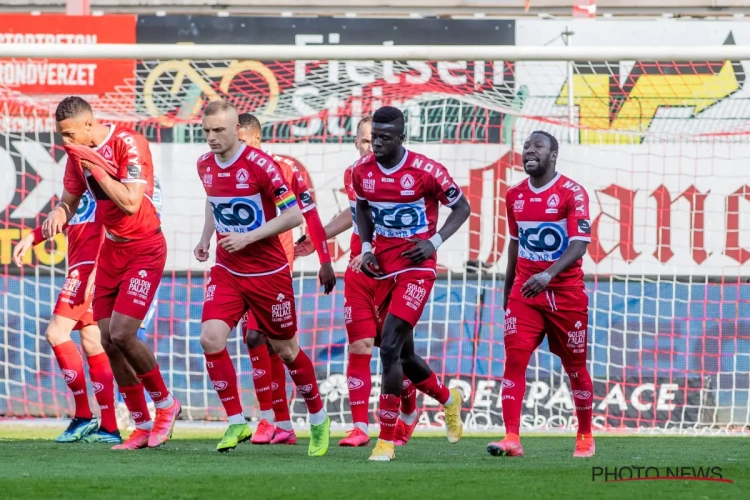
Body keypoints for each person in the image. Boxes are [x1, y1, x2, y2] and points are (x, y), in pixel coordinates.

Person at [194, 101, 330, 456]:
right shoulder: (204, 164)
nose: (211, 138)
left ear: (236, 129)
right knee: (210, 338)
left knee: (286, 350)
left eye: (219, 130)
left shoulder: (261, 165)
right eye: (206, 131)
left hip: (268, 272)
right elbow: (213, 200)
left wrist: (249, 237)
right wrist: (206, 236)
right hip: (227, 268)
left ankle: (318, 418)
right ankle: (237, 420)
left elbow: (294, 216)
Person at [44, 96, 180, 451]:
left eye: (70, 134)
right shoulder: (77, 154)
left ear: (89, 125)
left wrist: (96, 164)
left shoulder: (128, 143)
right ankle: (141, 424)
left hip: (145, 249)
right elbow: (71, 197)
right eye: (61, 135)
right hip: (112, 251)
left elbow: (131, 202)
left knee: (122, 333)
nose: (66, 142)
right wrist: (60, 210)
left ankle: (166, 405)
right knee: (105, 339)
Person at [352, 106, 471, 462]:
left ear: (402, 138)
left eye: (385, 139)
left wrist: (433, 242)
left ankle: (386, 441)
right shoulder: (362, 171)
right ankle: (449, 399)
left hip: (417, 268)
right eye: (374, 138)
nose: (377, 145)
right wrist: (368, 246)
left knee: (387, 347)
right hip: (382, 266)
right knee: (403, 354)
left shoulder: (425, 171)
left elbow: (462, 207)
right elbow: (361, 208)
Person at [295, 116, 419, 447]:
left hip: (396, 273)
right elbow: (353, 214)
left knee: (397, 354)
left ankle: (410, 408)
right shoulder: (355, 174)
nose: (371, 146)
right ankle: (360, 427)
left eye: (376, 139)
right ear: (356, 142)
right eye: (365, 140)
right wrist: (316, 236)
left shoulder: (406, 175)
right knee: (360, 346)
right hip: (361, 271)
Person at [486, 131, 594, 458]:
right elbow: (515, 245)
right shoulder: (514, 196)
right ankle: (511, 437)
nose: (529, 151)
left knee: (575, 366)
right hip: (526, 293)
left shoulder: (572, 193)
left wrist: (549, 274)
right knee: (515, 358)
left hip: (565, 294)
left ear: (553, 155)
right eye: (526, 147)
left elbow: (579, 245)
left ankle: (586, 434)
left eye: (538, 147)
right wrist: (508, 292)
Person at [234, 113, 335, 445]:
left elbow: (311, 214)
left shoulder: (283, 169)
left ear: (257, 138)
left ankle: (272, 420)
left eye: (243, 141)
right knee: (268, 345)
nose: (238, 149)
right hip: (240, 269)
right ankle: (282, 424)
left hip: (274, 270)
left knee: (260, 340)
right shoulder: (226, 169)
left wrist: (324, 259)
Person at [12, 191, 120, 444]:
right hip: (83, 268)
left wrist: (99, 268)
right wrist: (32, 236)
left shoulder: (104, 183)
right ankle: (110, 427)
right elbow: (65, 217)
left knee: (55, 333)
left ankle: (83, 416)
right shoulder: (77, 186)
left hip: (89, 270)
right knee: (93, 342)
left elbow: (116, 226)